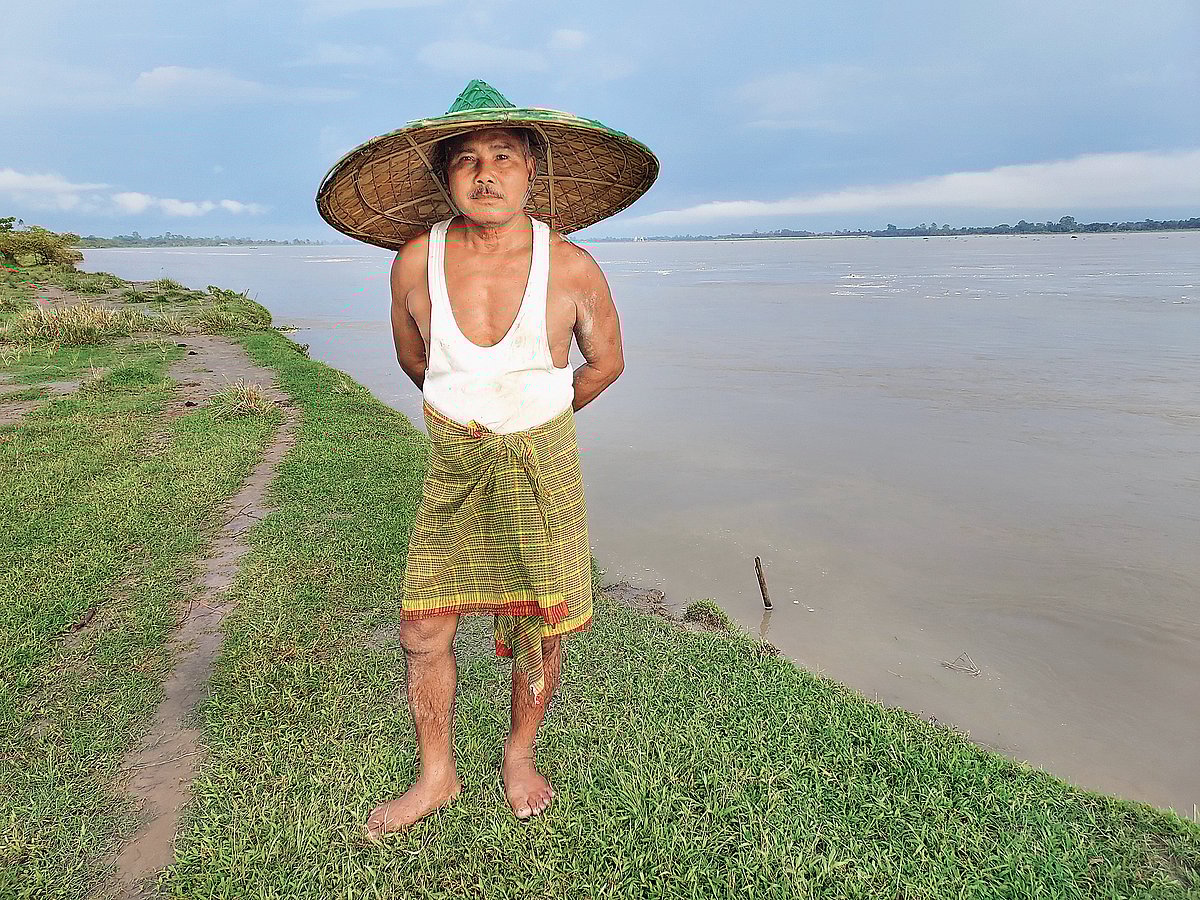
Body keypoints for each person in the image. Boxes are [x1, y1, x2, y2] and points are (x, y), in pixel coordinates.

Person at [314, 80, 658, 838]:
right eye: (466, 160)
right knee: (423, 627)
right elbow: (417, 360)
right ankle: (436, 774)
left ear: (533, 170)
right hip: (456, 466)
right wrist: (471, 421)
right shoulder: (414, 260)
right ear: (447, 180)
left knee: (543, 621)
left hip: (545, 466)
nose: (486, 173)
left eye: (503, 155)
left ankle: (519, 754)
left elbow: (604, 364)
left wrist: (533, 424)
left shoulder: (571, 266)